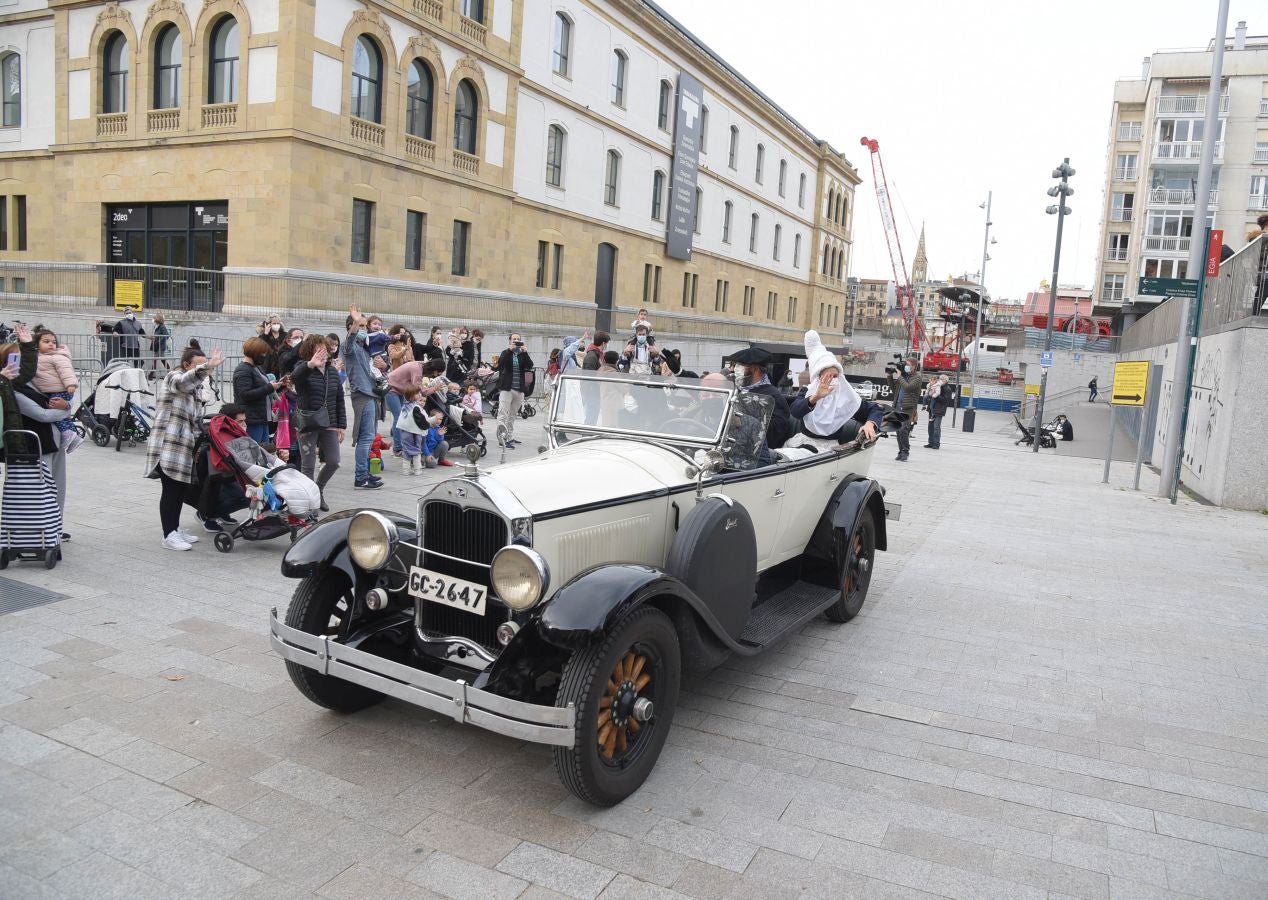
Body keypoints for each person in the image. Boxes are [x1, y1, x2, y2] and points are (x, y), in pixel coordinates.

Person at [146, 346, 225, 550]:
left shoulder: (197, 387)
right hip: (168, 443)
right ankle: (168, 535)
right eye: (199, 366)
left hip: (183, 445)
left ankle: (175, 529)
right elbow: (183, 383)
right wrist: (207, 367)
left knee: (180, 489)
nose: (204, 370)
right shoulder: (174, 377)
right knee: (171, 489)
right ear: (186, 365)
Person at [789, 331, 883, 447]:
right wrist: (815, 397)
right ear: (819, 378)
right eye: (828, 376)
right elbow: (795, 411)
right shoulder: (808, 392)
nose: (833, 379)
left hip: (830, 448)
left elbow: (875, 409)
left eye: (835, 376)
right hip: (804, 442)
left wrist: (870, 424)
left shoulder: (844, 397)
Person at [290, 334, 344, 511]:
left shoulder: (332, 371)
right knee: (308, 465)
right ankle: (309, 503)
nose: (323, 352)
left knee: (334, 461)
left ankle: (318, 489)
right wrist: (310, 365)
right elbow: (295, 378)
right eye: (318, 349)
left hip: (329, 422)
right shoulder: (303, 367)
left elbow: (339, 400)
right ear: (310, 351)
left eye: (325, 349)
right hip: (308, 422)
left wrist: (341, 426)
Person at [343, 305, 383, 489]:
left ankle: (365, 472)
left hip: (371, 393)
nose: (364, 330)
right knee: (365, 437)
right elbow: (349, 339)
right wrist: (355, 322)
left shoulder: (364, 348)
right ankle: (360, 477)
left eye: (364, 327)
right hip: (362, 394)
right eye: (360, 326)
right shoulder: (348, 347)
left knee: (370, 435)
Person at [728, 346, 792, 452]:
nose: (735, 369)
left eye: (740, 365)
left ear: (755, 369)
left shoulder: (772, 395)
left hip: (757, 453)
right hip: (731, 446)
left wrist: (745, 422)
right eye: (735, 365)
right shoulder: (736, 390)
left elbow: (778, 430)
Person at [30, 328, 83, 454]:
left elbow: (66, 370)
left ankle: (67, 433)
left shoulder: (57, 356)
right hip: (51, 390)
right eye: (46, 341)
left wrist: (71, 384)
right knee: (62, 415)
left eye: (53, 342)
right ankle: (74, 436)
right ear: (37, 345)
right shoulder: (38, 356)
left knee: (54, 412)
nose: (51, 344)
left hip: (60, 390)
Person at [233, 337, 282, 444]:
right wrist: (269, 387)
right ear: (255, 352)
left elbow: (263, 387)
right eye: (262, 354)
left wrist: (279, 385)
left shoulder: (257, 367)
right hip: (251, 419)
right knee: (255, 451)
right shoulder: (243, 370)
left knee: (264, 452)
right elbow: (245, 394)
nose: (264, 357)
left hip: (261, 417)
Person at [494, 332, 533, 447]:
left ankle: (509, 437)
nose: (516, 341)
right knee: (503, 414)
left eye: (518, 339)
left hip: (519, 389)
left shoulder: (522, 354)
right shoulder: (505, 352)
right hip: (507, 388)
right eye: (514, 339)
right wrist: (509, 351)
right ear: (510, 341)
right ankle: (502, 439)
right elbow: (500, 365)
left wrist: (525, 352)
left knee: (512, 415)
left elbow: (529, 365)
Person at [886, 355, 921, 462]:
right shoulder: (903, 376)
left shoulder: (917, 377)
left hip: (907, 407)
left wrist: (900, 376)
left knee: (903, 430)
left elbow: (908, 387)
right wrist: (889, 376)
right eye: (905, 364)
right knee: (897, 430)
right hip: (897, 406)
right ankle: (901, 451)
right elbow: (894, 389)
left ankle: (905, 451)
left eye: (908, 365)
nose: (906, 366)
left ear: (914, 366)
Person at [395, 384, 427, 475]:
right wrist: (428, 424)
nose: (420, 395)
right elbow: (422, 420)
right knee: (416, 450)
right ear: (411, 395)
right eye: (417, 393)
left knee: (406, 450)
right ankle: (417, 470)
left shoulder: (405, 406)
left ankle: (406, 471)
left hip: (404, 431)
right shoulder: (415, 407)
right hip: (414, 432)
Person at [924, 373, 954, 449]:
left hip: (939, 410)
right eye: (940, 378)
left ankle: (936, 444)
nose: (940, 380)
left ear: (946, 381)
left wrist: (935, 395)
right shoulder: (937, 386)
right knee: (930, 427)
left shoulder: (947, 389)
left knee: (936, 427)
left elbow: (946, 400)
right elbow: (930, 396)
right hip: (932, 409)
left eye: (942, 379)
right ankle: (930, 443)